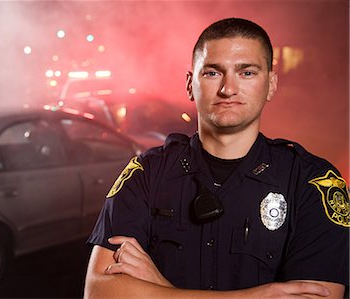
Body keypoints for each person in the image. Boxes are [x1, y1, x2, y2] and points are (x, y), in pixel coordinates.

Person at [84, 17, 349, 298]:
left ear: (271, 84)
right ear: (190, 84)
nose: (228, 89)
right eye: (212, 73)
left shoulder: (311, 182)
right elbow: (99, 291)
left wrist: (160, 286)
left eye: (247, 73)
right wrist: (253, 296)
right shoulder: (147, 173)